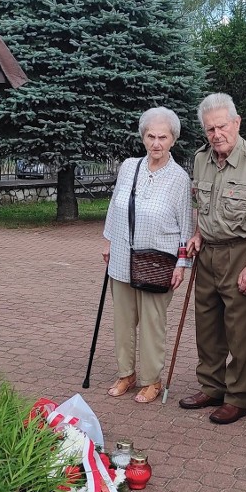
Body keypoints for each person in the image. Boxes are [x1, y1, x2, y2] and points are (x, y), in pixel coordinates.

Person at [178, 93, 246, 424]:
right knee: (206, 325)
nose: (216, 134)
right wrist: (196, 234)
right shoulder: (201, 159)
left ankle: (238, 397)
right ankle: (211, 386)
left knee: (240, 330)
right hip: (207, 252)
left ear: (236, 123)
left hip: (241, 252)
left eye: (222, 126)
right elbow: (203, 207)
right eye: (209, 129)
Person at [102, 107, 194, 404]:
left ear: (173, 140)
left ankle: (151, 379)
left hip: (158, 262)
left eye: (163, 137)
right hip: (122, 258)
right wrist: (109, 241)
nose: (156, 143)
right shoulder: (129, 166)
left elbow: (185, 225)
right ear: (143, 137)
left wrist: (182, 263)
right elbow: (115, 206)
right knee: (123, 320)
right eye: (151, 136)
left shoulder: (179, 178)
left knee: (153, 322)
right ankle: (126, 373)